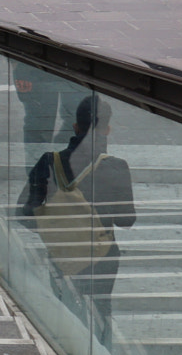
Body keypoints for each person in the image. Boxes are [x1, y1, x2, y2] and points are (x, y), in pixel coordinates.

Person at [23, 94, 136, 335]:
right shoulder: (117, 167)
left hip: (62, 253)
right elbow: (127, 220)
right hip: (102, 257)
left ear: (75, 127)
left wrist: (59, 218)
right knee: (100, 314)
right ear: (107, 129)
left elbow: (24, 214)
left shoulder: (48, 162)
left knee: (65, 314)